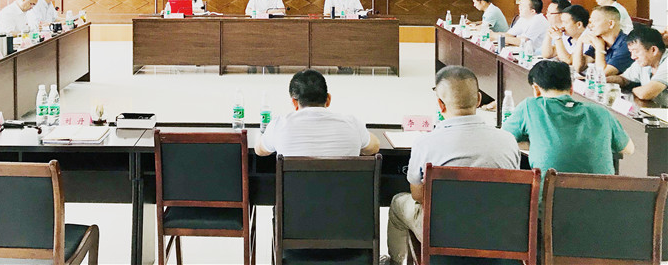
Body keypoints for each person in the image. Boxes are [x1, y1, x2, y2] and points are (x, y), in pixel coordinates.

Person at [385, 66, 520, 264]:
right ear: (479, 99)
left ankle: (395, 262)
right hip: (497, 232)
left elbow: (418, 195)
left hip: (441, 233)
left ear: (440, 104)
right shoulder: (508, 140)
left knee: (398, 203)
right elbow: (512, 191)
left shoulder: (426, 143)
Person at [502, 59, 633, 186]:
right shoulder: (601, 112)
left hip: (550, 197)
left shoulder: (530, 106)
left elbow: (503, 139)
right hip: (602, 198)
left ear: (536, 89)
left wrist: (535, 143)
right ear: (571, 88)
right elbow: (629, 149)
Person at [255, 69, 380, 157]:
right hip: (343, 189)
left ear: (294, 102)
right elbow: (374, 147)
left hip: (297, 189)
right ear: (328, 99)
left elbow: (259, 151)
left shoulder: (279, 126)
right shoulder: (353, 125)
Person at [607, 26, 668, 107]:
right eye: (631, 52)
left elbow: (646, 93)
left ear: (653, 50)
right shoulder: (645, 62)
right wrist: (604, 80)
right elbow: (624, 79)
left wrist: (633, 90)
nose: (633, 57)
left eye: (636, 51)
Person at [579, 6, 633, 76]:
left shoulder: (627, 45)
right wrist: (580, 41)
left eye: (595, 21)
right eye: (590, 22)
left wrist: (599, 48)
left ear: (611, 24)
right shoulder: (599, 40)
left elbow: (602, 74)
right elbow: (579, 68)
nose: (590, 26)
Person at [543, 4, 590, 69]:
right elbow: (547, 55)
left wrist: (558, 38)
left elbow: (568, 61)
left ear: (579, 24)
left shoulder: (589, 38)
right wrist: (549, 34)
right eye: (562, 22)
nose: (562, 25)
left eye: (565, 22)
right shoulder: (568, 36)